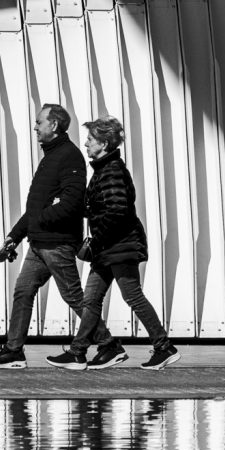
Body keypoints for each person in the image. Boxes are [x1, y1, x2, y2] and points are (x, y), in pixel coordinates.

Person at [0, 103, 116, 369]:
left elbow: (72, 203)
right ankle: (13, 351)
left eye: (39, 122)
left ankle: (108, 343)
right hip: (40, 242)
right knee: (23, 291)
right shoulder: (51, 156)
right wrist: (14, 236)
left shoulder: (69, 156)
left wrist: (35, 225)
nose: (35, 127)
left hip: (58, 242)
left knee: (73, 296)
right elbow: (36, 209)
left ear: (53, 125)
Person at [46, 116, 177, 372]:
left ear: (104, 143)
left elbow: (117, 211)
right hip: (109, 249)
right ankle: (78, 352)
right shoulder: (104, 169)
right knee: (91, 300)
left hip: (119, 247)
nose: (86, 143)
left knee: (132, 296)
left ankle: (164, 347)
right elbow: (102, 207)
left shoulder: (112, 171)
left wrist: (95, 241)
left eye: (90, 139)